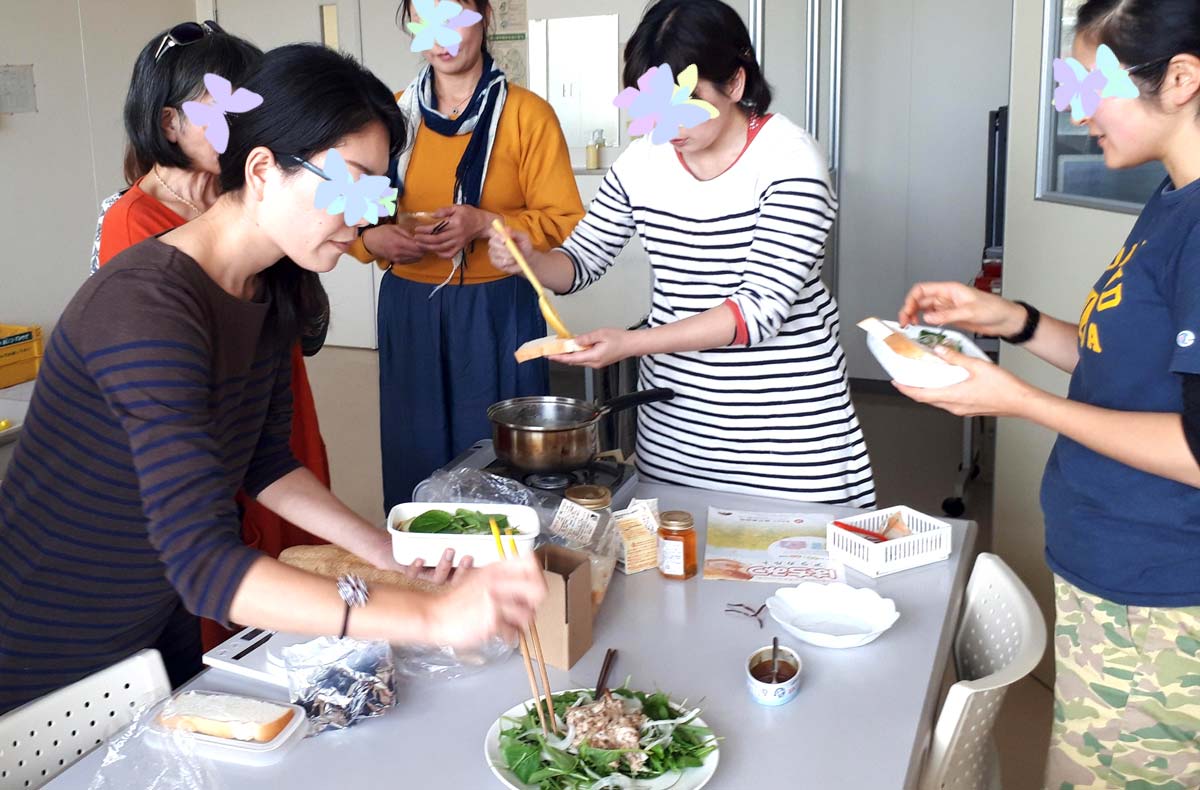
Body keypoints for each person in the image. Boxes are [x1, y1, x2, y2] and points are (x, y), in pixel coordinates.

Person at [0, 43, 544, 716]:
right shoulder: (145, 304)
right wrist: (428, 617)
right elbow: (206, 568)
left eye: (377, 192)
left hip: (152, 622)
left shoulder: (271, 285)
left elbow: (263, 460)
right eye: (347, 184)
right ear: (262, 169)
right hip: (48, 637)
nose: (364, 215)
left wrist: (384, 550)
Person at [894, 1, 1200, 783]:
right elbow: (1121, 371)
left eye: (1084, 80)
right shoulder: (1171, 202)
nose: (1070, 104)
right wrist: (1014, 321)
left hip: (1163, 596)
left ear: (1181, 78)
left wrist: (1019, 401)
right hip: (1116, 575)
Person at [489, 0, 874, 506]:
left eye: (685, 101)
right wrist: (531, 258)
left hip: (787, 435)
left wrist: (630, 344)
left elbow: (755, 314)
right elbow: (580, 262)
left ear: (735, 83)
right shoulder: (642, 162)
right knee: (675, 565)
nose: (667, 126)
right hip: (679, 430)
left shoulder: (790, 160)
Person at [96, 23, 336, 651]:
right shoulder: (137, 229)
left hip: (269, 416)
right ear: (169, 123)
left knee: (301, 553)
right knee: (230, 607)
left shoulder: (242, 196)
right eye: (224, 106)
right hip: (212, 442)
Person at [348, 0, 584, 510]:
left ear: (486, 18)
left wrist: (485, 223)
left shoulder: (527, 115)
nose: (443, 35)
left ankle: (508, 577)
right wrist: (374, 241)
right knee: (417, 450)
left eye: (456, 15)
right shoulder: (390, 118)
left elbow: (563, 220)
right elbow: (347, 212)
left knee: (503, 458)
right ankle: (424, 572)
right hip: (411, 307)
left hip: (499, 310)